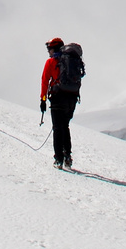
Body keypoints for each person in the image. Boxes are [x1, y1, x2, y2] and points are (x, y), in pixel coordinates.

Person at [39, 37, 84, 169]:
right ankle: (67, 157)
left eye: (50, 49)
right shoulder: (71, 61)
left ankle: (58, 159)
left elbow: (45, 81)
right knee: (65, 126)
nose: (49, 52)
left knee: (57, 128)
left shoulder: (51, 62)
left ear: (54, 49)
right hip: (72, 98)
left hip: (58, 97)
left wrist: (42, 100)